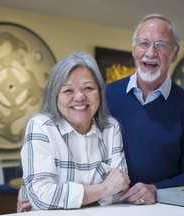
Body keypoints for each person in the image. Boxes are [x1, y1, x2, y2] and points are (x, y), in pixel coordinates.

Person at [106, 13, 184, 205]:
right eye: (144, 43)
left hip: (162, 208)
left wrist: (156, 189)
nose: (151, 53)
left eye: (161, 45)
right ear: (134, 49)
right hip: (108, 207)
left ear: (175, 53)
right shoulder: (106, 96)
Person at [17, 52, 129, 211]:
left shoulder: (111, 128)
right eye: (68, 90)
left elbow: (121, 189)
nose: (80, 97)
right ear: (54, 96)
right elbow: (42, 197)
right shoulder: (41, 126)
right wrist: (105, 188)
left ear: (100, 92)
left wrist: (57, 199)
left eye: (88, 88)